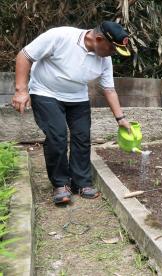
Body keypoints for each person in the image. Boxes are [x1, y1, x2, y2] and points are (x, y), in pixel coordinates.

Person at [11, 21, 132, 204]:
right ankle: (60, 183)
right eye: (112, 49)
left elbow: (109, 89)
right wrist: (21, 90)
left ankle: (81, 182)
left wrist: (120, 118)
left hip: (77, 97)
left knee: (82, 136)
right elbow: (25, 56)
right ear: (98, 39)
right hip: (46, 92)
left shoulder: (104, 58)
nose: (113, 53)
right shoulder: (60, 37)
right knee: (57, 135)